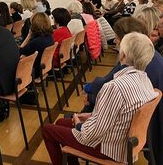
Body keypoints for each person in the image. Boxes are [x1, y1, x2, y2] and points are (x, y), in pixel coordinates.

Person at [43, 32, 158, 165]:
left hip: (110, 148)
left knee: (48, 130)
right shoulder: (146, 80)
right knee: (61, 123)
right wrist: (92, 115)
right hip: (123, 141)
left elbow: (93, 133)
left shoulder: (115, 87)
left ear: (123, 55)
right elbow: (119, 113)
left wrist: (79, 124)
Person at [20, 12, 54, 78]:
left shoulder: (36, 42)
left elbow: (19, 52)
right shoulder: (50, 37)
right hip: (44, 68)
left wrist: (28, 36)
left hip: (34, 71)